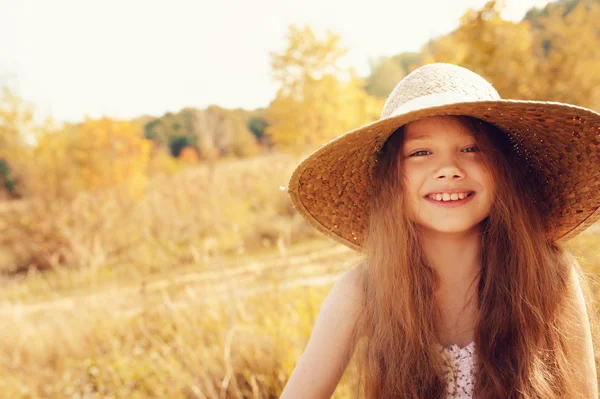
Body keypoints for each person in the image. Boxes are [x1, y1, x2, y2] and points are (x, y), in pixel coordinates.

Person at [280, 63, 600, 398]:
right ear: (392, 180)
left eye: (471, 149)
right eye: (420, 152)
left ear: (502, 169)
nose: (448, 169)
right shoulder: (362, 291)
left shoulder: (550, 274)